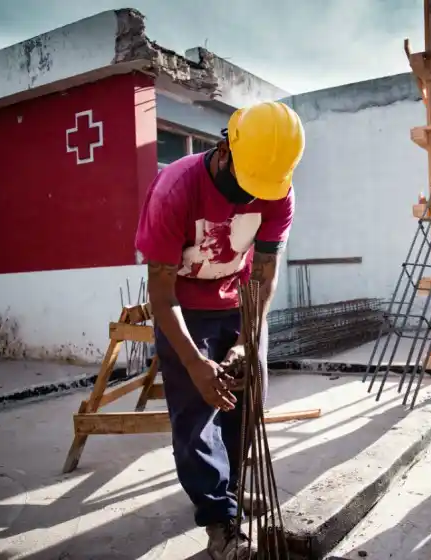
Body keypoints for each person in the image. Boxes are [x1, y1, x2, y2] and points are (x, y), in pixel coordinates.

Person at [135, 100, 304, 559]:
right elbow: (161, 294)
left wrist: (248, 342)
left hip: (240, 303)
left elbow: (265, 273)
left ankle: (227, 489)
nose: (249, 199)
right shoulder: (175, 189)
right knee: (197, 413)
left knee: (248, 400)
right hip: (184, 308)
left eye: (259, 190)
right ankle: (217, 517)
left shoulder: (278, 191)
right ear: (225, 151)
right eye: (243, 186)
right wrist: (194, 361)